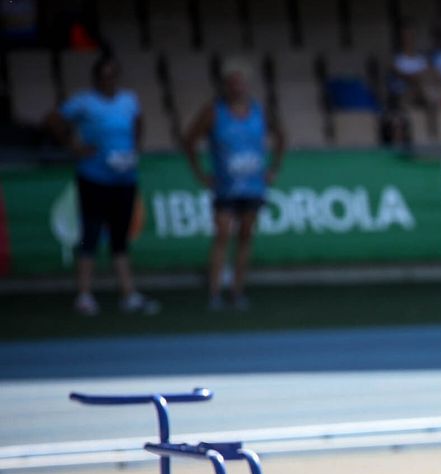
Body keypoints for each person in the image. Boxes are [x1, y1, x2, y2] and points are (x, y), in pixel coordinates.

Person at [47, 53, 156, 316]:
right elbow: (53, 120)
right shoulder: (84, 102)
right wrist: (73, 146)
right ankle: (84, 294)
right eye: (104, 75)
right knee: (91, 234)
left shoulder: (129, 100)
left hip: (124, 177)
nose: (109, 80)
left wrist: (134, 149)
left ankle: (128, 293)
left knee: (120, 236)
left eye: (113, 74)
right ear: (97, 78)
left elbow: (139, 122)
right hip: (94, 177)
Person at [182, 59, 284, 312]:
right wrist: (200, 174)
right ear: (225, 86)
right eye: (232, 83)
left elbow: (281, 136)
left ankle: (237, 291)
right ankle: (215, 292)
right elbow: (189, 140)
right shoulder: (214, 111)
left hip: (253, 185)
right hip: (226, 186)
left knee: (246, 236)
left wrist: (273, 169)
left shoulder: (259, 111)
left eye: (241, 83)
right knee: (222, 234)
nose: (237, 88)